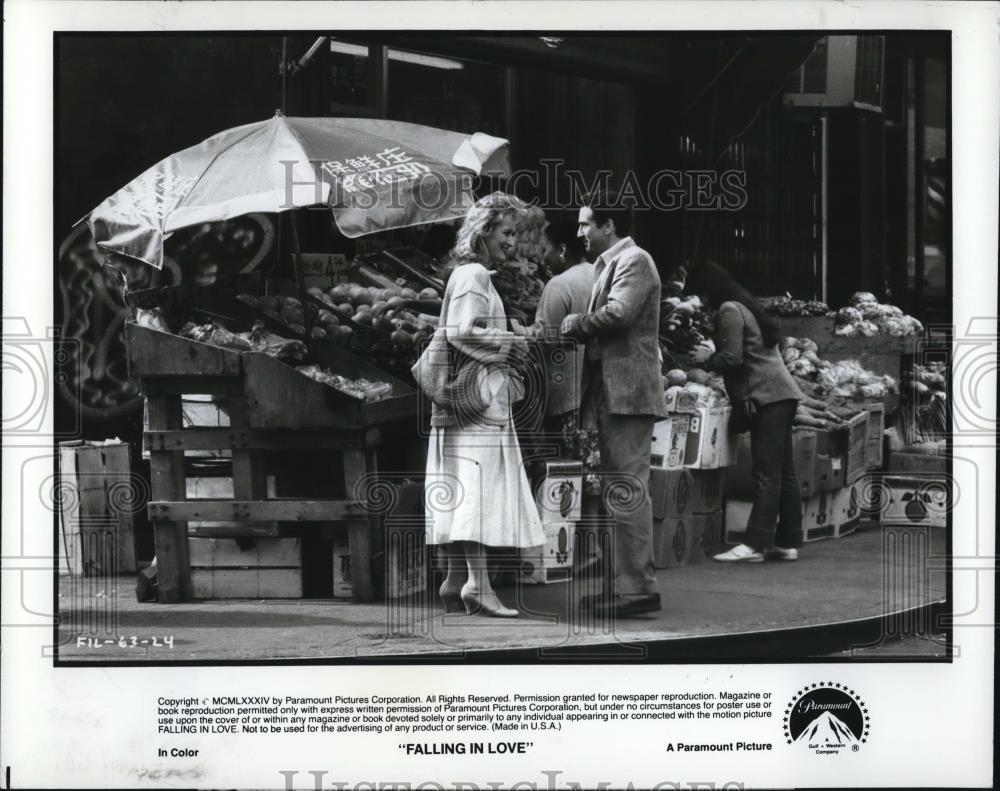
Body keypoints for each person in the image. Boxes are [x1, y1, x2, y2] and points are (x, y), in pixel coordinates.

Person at [424, 192, 545, 618]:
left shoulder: (470, 274)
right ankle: (479, 584)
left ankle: (456, 577)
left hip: (467, 402)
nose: (513, 242)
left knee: (462, 489)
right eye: (507, 232)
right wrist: (512, 340)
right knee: (476, 492)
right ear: (485, 231)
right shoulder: (475, 274)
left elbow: (464, 328)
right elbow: (460, 332)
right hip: (478, 402)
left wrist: (502, 327)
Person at [561, 189, 670, 618]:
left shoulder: (635, 261)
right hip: (613, 391)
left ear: (609, 226)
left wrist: (575, 323)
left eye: (586, 223)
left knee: (627, 489)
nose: (580, 231)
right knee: (617, 490)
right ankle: (620, 586)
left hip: (629, 393)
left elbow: (619, 314)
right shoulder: (611, 264)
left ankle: (637, 589)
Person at [686, 260, 805, 562]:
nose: (699, 303)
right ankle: (787, 542)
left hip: (766, 397)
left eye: (699, 295)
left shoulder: (728, 310)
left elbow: (732, 358)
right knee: (784, 473)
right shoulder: (747, 305)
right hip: (782, 394)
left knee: (766, 473)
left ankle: (754, 544)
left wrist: (706, 358)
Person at [515, 220, 601, 571]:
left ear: (563, 250)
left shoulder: (559, 284)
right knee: (592, 472)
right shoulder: (601, 274)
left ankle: (573, 553)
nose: (544, 258)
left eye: (548, 250)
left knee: (568, 474)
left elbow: (545, 338)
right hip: (596, 389)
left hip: (566, 392)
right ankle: (594, 550)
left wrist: (515, 330)